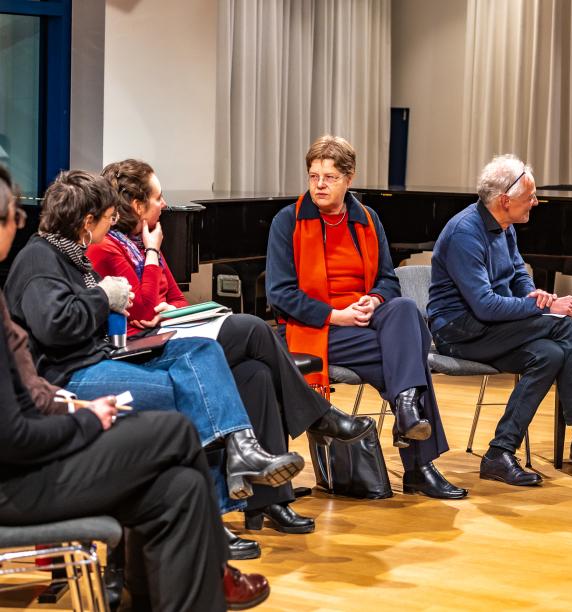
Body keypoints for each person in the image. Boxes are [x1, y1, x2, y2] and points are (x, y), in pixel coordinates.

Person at [0, 164, 269, 611]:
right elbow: (51, 337)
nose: (20, 223)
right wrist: (83, 416)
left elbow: (26, 383)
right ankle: (219, 539)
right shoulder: (41, 258)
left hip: (73, 386)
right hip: (46, 429)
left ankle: (236, 471)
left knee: (181, 473)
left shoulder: (65, 255)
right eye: (14, 215)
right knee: (178, 421)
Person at [89, 159, 373, 542]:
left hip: (173, 331)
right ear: (138, 206)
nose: (164, 204)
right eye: (158, 198)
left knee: (255, 373)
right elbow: (138, 309)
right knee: (255, 328)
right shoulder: (111, 248)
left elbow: (173, 298)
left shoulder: (140, 242)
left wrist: (170, 305)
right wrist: (154, 255)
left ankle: (268, 500)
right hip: (146, 351)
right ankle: (317, 415)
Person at [427, 154, 572, 486]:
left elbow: (518, 275)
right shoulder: (465, 233)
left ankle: (499, 454)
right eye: (529, 197)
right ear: (504, 201)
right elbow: (485, 306)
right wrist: (547, 310)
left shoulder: (505, 226)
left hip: (488, 329)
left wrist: (539, 299)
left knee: (550, 354)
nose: (536, 201)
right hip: (459, 332)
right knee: (561, 324)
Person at [266, 135, 465, 500]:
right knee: (408, 351)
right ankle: (418, 461)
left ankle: (407, 408)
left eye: (329, 177)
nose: (320, 185)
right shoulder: (288, 221)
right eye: (314, 176)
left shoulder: (368, 219)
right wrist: (335, 315)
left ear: (349, 178)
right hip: (312, 327)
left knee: (404, 309)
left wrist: (374, 300)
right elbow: (279, 295)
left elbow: (388, 279)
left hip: (361, 319)